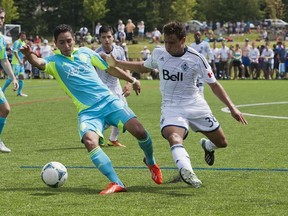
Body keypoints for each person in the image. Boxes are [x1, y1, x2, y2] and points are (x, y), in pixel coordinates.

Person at [20, 24, 162, 194]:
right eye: (62, 42)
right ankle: (116, 182)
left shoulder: (86, 53)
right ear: (55, 44)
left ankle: (151, 161)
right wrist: (29, 56)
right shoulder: (54, 62)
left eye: (69, 41)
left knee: (140, 131)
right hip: (88, 112)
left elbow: (109, 68)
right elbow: (39, 62)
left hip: (109, 101)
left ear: (74, 39)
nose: (66, 45)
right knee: (89, 141)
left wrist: (132, 80)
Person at [103, 21, 248, 188]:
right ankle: (187, 172)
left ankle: (207, 145)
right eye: (165, 42)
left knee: (222, 142)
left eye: (171, 42)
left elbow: (214, 85)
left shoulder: (196, 59)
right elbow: (143, 67)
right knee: (174, 137)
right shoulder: (159, 53)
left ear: (183, 40)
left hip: (195, 104)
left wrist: (232, 108)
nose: (167, 46)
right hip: (172, 107)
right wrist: (118, 63)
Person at [95, 25, 131, 147]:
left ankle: (112, 139)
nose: (106, 40)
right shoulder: (96, 54)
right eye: (103, 37)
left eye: (109, 36)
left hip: (117, 87)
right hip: (103, 88)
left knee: (124, 111)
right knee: (114, 114)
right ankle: (95, 134)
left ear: (113, 37)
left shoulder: (120, 51)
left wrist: (128, 83)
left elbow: (126, 67)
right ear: (99, 38)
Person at [0, 7, 19, 152]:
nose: (0, 21)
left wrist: (13, 78)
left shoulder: (1, 38)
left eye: (2, 18)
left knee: (5, 109)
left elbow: (4, 60)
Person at [2, 31, 27, 96]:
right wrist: (19, 60)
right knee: (11, 78)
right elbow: (15, 52)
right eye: (23, 35)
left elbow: (24, 53)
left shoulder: (24, 43)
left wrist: (23, 60)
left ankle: (19, 93)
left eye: (25, 35)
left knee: (21, 77)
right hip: (16, 63)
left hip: (21, 63)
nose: (24, 37)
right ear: (20, 36)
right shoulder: (17, 42)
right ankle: (2, 91)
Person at [190, 31, 215, 96]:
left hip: (203, 65)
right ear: (194, 36)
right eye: (196, 35)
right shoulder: (192, 45)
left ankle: (201, 95)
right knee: (195, 82)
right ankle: (196, 96)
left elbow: (210, 53)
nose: (197, 36)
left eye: (198, 35)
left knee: (201, 81)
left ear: (201, 36)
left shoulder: (205, 44)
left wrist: (213, 63)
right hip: (194, 66)